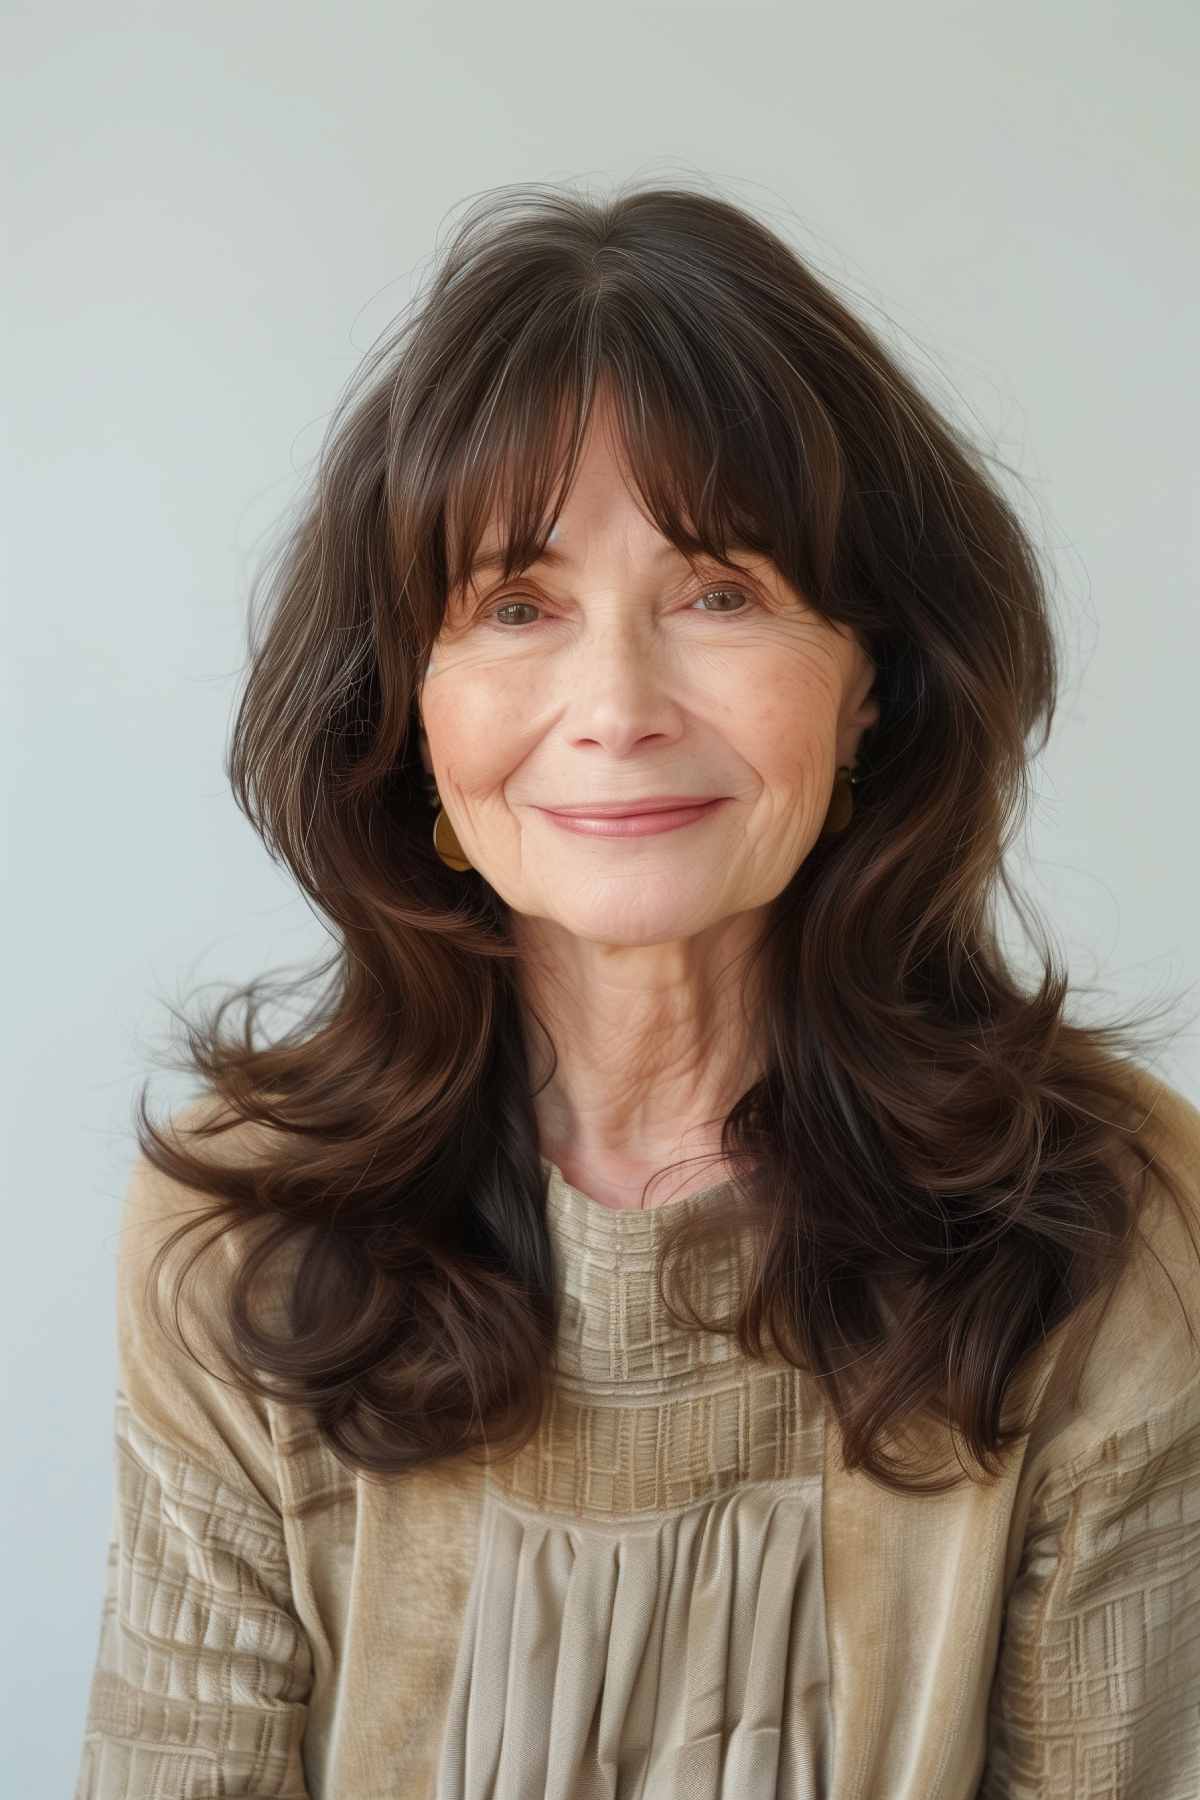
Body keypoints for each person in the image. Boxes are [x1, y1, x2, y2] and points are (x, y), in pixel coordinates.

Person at [75, 181, 1200, 1799]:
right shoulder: (240, 1228)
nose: (615, 704)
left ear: (872, 680)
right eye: (515, 607)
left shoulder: (1101, 1213)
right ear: (410, 712)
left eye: (719, 592)